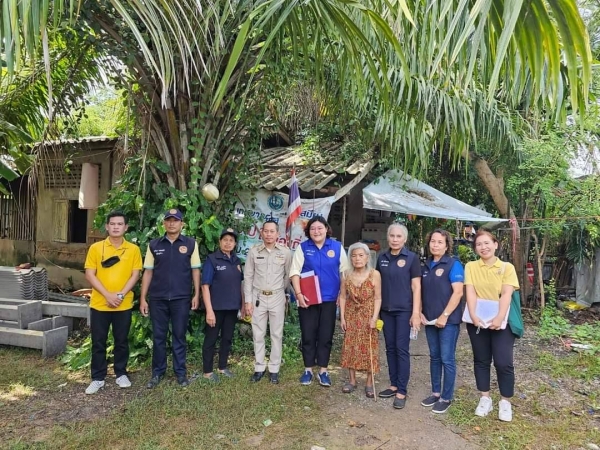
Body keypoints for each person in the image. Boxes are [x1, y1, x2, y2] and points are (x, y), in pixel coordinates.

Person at [140, 209, 201, 388]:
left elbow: (195, 270)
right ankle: (157, 373)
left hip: (181, 298)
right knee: (158, 337)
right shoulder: (154, 244)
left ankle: (180, 373)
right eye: (168, 220)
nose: (172, 223)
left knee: (179, 336)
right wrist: (143, 298)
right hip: (157, 299)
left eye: (175, 220)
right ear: (164, 223)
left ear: (182, 224)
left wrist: (196, 294)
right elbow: (148, 272)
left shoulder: (191, 244)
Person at [84, 211, 143, 394]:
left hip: (123, 304)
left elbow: (135, 275)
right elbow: (90, 274)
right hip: (99, 304)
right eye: (112, 224)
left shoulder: (133, 249)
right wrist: (107, 295)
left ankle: (121, 373)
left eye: (120, 224)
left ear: (126, 227)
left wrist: (120, 295)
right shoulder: (96, 248)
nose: (116, 227)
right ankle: (98, 378)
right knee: (98, 342)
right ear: (107, 227)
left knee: (121, 341)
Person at [464, 229, 519, 422]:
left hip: (501, 321)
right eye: (479, 244)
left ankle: (505, 402)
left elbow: (506, 294)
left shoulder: (506, 267)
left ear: (495, 245)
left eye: (487, 243)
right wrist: (473, 315)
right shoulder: (471, 266)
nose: (483, 247)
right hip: (478, 320)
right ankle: (485, 398)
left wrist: (499, 317)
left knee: (503, 362)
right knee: (481, 360)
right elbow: (470, 291)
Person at [290, 216, 349, 387]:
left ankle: (323, 370)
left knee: (325, 335)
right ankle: (308, 370)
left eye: (319, 228)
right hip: (308, 300)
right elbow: (295, 272)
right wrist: (299, 294)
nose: (316, 231)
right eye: (313, 228)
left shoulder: (336, 247)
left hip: (329, 299)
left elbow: (344, 273)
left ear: (326, 229)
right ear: (308, 231)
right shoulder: (303, 248)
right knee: (308, 334)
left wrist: (342, 293)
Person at [376, 223, 421, 409]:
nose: (395, 239)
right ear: (388, 237)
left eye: (398, 236)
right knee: (390, 348)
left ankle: (402, 390)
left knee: (402, 349)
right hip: (385, 311)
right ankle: (393, 385)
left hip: (404, 311)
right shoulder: (382, 258)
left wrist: (416, 313)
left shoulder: (412, 258)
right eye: (392, 236)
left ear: (405, 239)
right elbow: (377, 285)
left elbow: (416, 287)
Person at [420, 229, 464, 414]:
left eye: (440, 242)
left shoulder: (454, 265)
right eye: (433, 241)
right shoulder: (425, 265)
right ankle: (436, 393)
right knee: (434, 357)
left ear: (447, 246)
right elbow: (419, 291)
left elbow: (458, 292)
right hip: (430, 320)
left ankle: (446, 397)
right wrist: (420, 312)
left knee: (447, 358)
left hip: (448, 321)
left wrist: (444, 315)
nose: (435, 245)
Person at [244, 220, 292, 384]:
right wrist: (248, 301)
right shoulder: (254, 251)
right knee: (258, 333)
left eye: (272, 231)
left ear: (277, 234)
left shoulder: (285, 252)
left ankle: (274, 369)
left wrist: (280, 292)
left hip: (277, 297)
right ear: (262, 233)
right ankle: (259, 367)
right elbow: (248, 277)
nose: (269, 234)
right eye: (266, 231)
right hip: (258, 297)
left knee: (276, 334)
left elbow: (287, 276)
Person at [339, 242, 382, 398]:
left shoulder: (375, 274)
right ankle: (352, 380)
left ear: (367, 257)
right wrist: (342, 317)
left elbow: (378, 298)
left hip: (368, 315)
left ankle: (369, 383)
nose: (357, 259)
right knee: (350, 346)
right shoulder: (345, 274)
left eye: (361, 255)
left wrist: (374, 318)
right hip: (351, 314)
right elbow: (343, 297)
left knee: (370, 347)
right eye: (354, 256)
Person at [201, 228, 244, 381]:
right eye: (225, 240)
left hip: (232, 308)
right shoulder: (212, 259)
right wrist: (209, 311)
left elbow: (240, 284)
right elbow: (205, 286)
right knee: (211, 339)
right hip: (216, 308)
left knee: (227, 338)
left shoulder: (237, 261)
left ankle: (222, 367)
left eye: (231, 240)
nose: (228, 243)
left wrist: (242, 305)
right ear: (220, 242)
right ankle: (207, 372)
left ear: (235, 244)